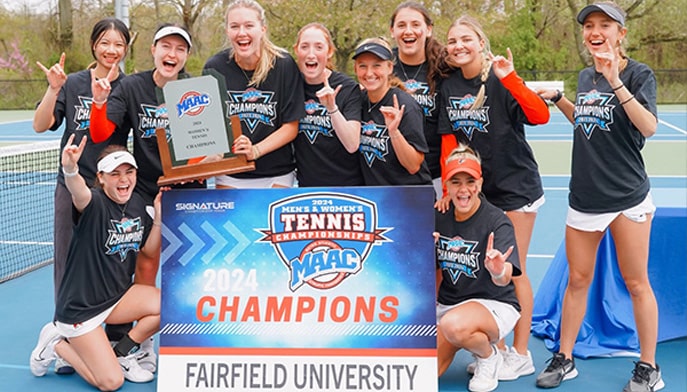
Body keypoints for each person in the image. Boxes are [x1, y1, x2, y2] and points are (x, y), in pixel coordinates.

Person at [535, 3, 663, 391]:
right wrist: (560, 100)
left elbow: (649, 127)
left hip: (627, 196)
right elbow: (587, 121)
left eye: (604, 25)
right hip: (585, 197)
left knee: (636, 282)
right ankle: (566, 358)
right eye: (589, 25)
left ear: (620, 33)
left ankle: (648, 368)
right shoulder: (585, 76)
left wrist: (616, 80)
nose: (595, 30)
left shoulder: (640, 74)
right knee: (577, 280)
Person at [436, 15, 550, 380]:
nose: (458, 46)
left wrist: (511, 78)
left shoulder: (499, 80)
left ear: (481, 43)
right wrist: (446, 190)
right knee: (486, 264)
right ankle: (495, 349)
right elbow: (449, 142)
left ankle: (520, 352)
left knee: (513, 270)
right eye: (452, 41)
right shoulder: (449, 86)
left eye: (465, 39)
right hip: (475, 188)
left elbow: (541, 115)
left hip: (514, 187)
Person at [32, 17, 131, 375]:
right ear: (94, 46)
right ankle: (63, 338)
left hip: (110, 192)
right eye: (105, 42)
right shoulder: (73, 82)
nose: (111, 50)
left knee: (114, 264)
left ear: (126, 49)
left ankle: (113, 338)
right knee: (67, 264)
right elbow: (41, 125)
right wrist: (53, 89)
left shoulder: (128, 87)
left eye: (119, 44)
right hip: (71, 183)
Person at [29, 137, 163, 389]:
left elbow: (148, 249)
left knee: (172, 305)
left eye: (129, 172)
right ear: (101, 178)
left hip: (116, 299)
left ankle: (122, 352)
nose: (124, 179)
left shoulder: (137, 205)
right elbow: (77, 190)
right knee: (111, 382)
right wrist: (70, 169)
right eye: (115, 174)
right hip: (81, 309)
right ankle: (56, 344)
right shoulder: (93, 203)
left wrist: (158, 219)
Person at [90, 23, 201, 288]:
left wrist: (191, 170)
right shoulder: (131, 87)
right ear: (153, 50)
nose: (172, 54)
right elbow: (100, 133)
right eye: (166, 46)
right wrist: (98, 103)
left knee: (189, 261)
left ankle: (188, 323)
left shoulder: (197, 88)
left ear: (186, 56)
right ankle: (142, 325)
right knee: (146, 259)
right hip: (147, 191)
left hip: (189, 190)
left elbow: (208, 145)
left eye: (180, 49)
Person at [435, 144, 521, 392]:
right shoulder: (438, 216)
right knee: (425, 374)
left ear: (480, 183)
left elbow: (505, 278)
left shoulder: (496, 221)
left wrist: (497, 270)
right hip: (451, 307)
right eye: (456, 182)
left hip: (494, 305)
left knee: (454, 325)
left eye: (470, 181)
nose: (463, 190)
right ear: (446, 186)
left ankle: (488, 356)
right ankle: (474, 345)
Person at [203, 0, 305, 189]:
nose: (242, 32)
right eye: (235, 26)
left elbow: (291, 126)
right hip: (231, 173)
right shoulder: (215, 68)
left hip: (277, 173)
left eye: (249, 25)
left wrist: (256, 150)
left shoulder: (284, 64)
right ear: (227, 31)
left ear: (262, 29)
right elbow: (207, 128)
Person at [353, 37, 432, 186]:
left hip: (409, 195)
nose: (369, 73)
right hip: (376, 197)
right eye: (363, 66)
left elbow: (413, 166)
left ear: (389, 67)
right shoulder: (357, 101)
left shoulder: (405, 105)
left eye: (377, 65)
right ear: (355, 69)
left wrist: (394, 132)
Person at [292, 22, 364, 186]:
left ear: (329, 52)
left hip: (348, 188)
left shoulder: (347, 88)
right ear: (296, 50)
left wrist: (332, 108)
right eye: (304, 47)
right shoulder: (291, 84)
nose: (311, 54)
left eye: (318, 47)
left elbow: (352, 144)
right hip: (306, 187)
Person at [390, 1, 444, 196]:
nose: (408, 31)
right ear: (392, 31)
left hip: (435, 175)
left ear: (428, 29)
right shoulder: (383, 66)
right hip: (392, 175)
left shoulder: (444, 68)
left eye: (415, 24)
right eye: (401, 25)